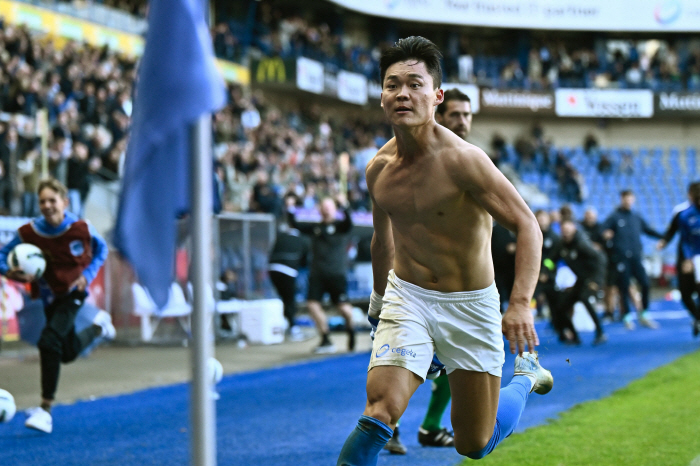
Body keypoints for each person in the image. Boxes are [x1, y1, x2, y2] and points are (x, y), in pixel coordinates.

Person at [337, 36, 552, 465]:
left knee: (473, 444)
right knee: (380, 411)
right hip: (408, 298)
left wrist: (521, 304)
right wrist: (380, 302)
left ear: (435, 96)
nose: (402, 93)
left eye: (414, 84)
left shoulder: (465, 161)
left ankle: (525, 378)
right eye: (392, 84)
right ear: (381, 97)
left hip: (470, 304)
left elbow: (528, 225)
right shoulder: (378, 169)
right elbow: (384, 240)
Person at [384, 87, 475, 454]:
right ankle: (388, 422)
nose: (462, 121)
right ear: (438, 108)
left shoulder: (473, 160)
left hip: (461, 290)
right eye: (456, 114)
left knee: (455, 368)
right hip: (414, 289)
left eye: (468, 115)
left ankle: (431, 427)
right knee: (408, 363)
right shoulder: (408, 161)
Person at [0, 178, 112, 433]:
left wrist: (87, 275)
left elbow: (101, 249)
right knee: (67, 352)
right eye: (42, 201)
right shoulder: (29, 232)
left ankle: (45, 410)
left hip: (73, 292)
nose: (47, 206)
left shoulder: (81, 228)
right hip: (49, 296)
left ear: (65, 202)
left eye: (52, 200)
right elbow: (1, 255)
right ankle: (99, 329)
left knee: (49, 341)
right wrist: (11, 272)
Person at [289, 195, 355, 354]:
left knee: (344, 309)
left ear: (334, 209)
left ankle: (351, 330)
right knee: (312, 305)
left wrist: (344, 204)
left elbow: (349, 223)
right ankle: (325, 338)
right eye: (323, 207)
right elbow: (295, 224)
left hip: (336, 274)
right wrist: (290, 207)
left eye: (329, 206)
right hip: (318, 274)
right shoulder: (315, 228)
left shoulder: (341, 227)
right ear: (319, 210)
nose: (326, 210)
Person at [602, 190, 663, 330]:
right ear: (621, 199)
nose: (628, 201)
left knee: (645, 284)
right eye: (625, 198)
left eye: (630, 198)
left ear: (633, 199)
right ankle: (627, 317)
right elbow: (602, 229)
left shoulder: (636, 217)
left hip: (636, 257)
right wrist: (605, 234)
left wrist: (664, 237)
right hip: (622, 258)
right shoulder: (614, 217)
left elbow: (648, 230)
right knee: (623, 288)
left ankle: (644, 313)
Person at [657, 181, 700, 337]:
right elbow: (674, 231)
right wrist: (664, 241)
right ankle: (697, 317)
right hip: (687, 256)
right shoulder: (682, 212)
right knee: (685, 292)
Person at [557, 219, 607, 345]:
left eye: (568, 230)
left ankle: (600, 333)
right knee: (562, 306)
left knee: (585, 299)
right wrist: (546, 271)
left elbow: (600, 258)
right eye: (564, 231)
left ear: (574, 230)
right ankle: (574, 336)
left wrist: (597, 281)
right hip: (581, 279)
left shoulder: (582, 243)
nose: (566, 233)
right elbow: (551, 260)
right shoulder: (562, 245)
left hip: (591, 278)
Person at [268, 195, 310, 341]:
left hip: (272, 269)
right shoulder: (302, 240)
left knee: (283, 298)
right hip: (287, 271)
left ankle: (286, 323)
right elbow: (305, 261)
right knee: (289, 299)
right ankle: (292, 327)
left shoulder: (281, 236)